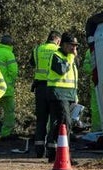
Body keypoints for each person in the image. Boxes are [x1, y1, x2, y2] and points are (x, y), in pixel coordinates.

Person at [45, 32, 79, 161]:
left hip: (69, 94)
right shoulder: (56, 55)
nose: (73, 48)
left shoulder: (72, 57)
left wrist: (75, 94)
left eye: (75, 46)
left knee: (58, 123)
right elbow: (61, 70)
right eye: (71, 45)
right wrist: (71, 57)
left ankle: (53, 153)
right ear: (63, 45)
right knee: (66, 123)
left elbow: (73, 76)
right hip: (58, 93)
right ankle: (65, 155)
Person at [31, 31, 61, 157]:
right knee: (54, 119)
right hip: (54, 87)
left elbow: (32, 63)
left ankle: (38, 150)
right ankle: (51, 149)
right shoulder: (59, 50)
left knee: (41, 119)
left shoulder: (37, 49)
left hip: (40, 88)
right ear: (58, 40)